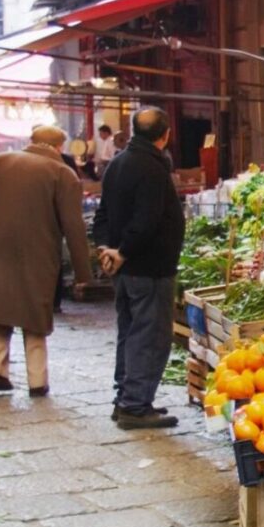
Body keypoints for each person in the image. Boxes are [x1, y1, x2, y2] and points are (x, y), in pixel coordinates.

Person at [0, 126, 93, 396]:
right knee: (34, 315)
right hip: (39, 252)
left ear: (31, 141)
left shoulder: (0, 162)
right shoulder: (63, 174)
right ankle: (37, 380)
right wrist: (84, 273)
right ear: (59, 147)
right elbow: (73, 226)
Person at [92, 106, 186, 429]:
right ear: (165, 135)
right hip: (149, 269)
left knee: (130, 331)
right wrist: (123, 251)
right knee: (150, 335)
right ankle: (134, 404)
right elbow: (146, 221)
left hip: (126, 269)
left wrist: (107, 248)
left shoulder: (117, 163)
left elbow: (102, 215)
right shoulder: (152, 168)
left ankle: (127, 398)